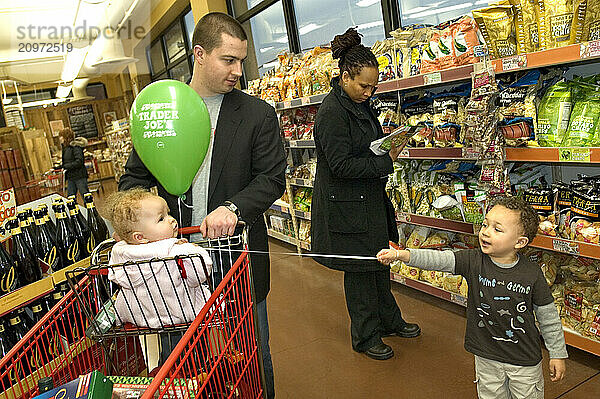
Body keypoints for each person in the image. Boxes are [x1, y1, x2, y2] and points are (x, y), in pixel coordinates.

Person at [119, 12, 286, 398]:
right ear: (198, 53)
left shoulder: (257, 114)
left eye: (241, 60)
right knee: (179, 359)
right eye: (228, 60)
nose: (238, 71)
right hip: (170, 263)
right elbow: (133, 181)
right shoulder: (162, 110)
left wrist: (234, 207)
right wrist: (142, 221)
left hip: (236, 256)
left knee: (250, 355)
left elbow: (271, 178)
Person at [378, 196, 568, 398]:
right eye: (485, 224)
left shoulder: (532, 274)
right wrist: (403, 255)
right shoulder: (473, 260)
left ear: (520, 242)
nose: (486, 232)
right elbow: (439, 259)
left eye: (497, 229)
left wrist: (557, 353)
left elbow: (549, 317)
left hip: (524, 359)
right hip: (486, 355)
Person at [310, 28, 420, 361]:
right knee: (360, 273)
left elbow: (362, 146)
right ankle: (365, 336)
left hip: (367, 202)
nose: (369, 93)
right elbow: (341, 165)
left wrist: (387, 143)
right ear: (344, 77)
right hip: (346, 207)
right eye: (364, 86)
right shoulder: (332, 113)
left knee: (379, 264)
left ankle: (389, 320)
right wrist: (385, 161)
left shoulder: (357, 103)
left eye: (374, 86)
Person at [104, 188, 212, 329]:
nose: (171, 220)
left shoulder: (120, 252)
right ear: (140, 237)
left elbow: (117, 278)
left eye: (168, 214)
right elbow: (200, 274)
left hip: (139, 317)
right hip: (181, 314)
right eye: (161, 219)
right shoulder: (176, 251)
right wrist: (193, 249)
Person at [60, 128, 90, 200]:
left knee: (85, 196)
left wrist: (66, 167)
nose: (60, 138)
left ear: (65, 137)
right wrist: (57, 168)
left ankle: (91, 210)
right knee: (70, 198)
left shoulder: (75, 147)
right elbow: (66, 162)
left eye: (61, 136)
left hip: (79, 176)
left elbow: (79, 161)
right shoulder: (65, 148)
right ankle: (74, 211)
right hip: (71, 177)